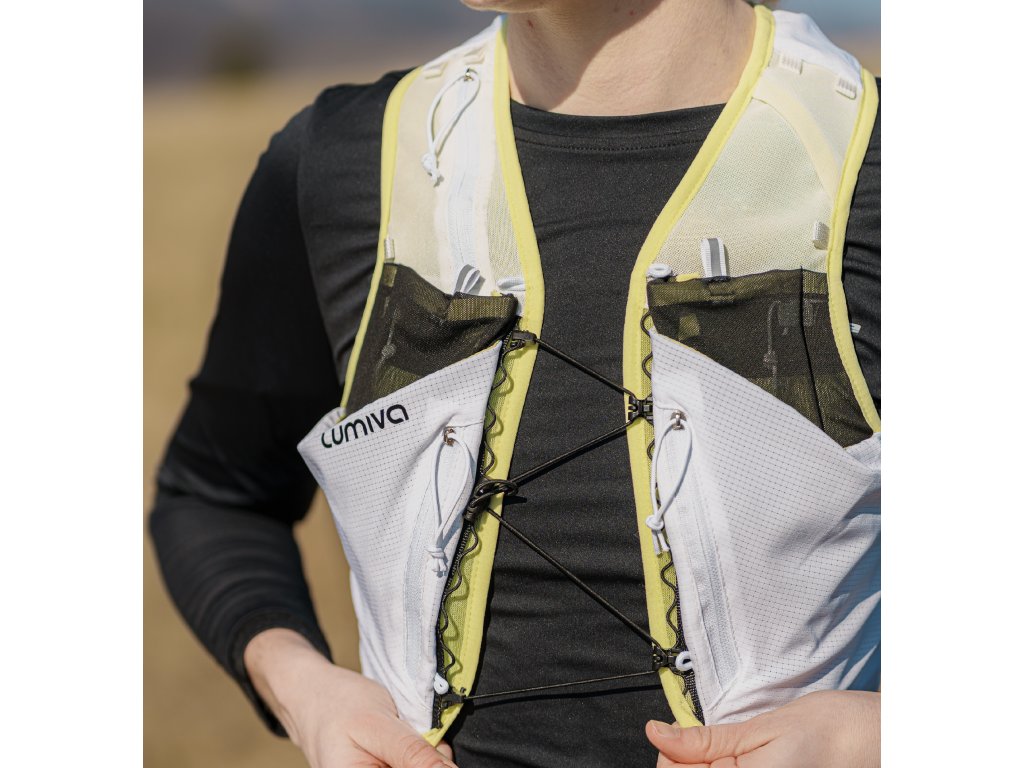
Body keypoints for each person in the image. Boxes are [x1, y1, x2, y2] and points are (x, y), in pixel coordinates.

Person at [150, 1, 881, 766]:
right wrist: (307, 694)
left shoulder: (885, 165)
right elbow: (214, 497)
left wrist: (867, 736)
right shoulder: (342, 163)